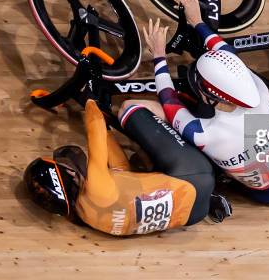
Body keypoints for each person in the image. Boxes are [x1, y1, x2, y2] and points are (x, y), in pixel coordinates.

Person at [120, 0, 269, 207]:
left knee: (151, 110)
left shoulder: (205, 133)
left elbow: (168, 99)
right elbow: (227, 53)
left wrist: (158, 55)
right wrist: (197, 21)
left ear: (214, 98)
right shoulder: (257, 91)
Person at [24, 99, 223, 236]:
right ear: (67, 175)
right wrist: (89, 101)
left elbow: (121, 170)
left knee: (139, 157)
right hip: (195, 173)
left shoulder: (88, 215)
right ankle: (205, 112)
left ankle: (222, 181)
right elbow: (95, 129)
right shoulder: (96, 187)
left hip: (193, 214)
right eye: (63, 165)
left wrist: (108, 131)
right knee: (130, 110)